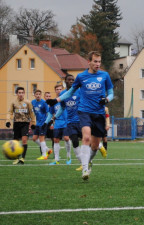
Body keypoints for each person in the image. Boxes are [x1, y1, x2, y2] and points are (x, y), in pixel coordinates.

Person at [46, 51, 114, 180]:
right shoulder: (81, 77)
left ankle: (88, 162)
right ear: (89, 62)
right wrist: (57, 100)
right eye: (95, 61)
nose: (98, 64)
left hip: (99, 113)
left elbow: (111, 93)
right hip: (84, 111)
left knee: (94, 146)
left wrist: (107, 100)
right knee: (86, 137)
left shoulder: (105, 75)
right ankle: (84, 169)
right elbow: (70, 92)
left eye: (99, 61)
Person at [55, 74, 83, 170]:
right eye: (69, 80)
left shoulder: (79, 91)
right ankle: (82, 163)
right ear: (65, 81)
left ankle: (99, 146)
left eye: (73, 80)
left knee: (88, 140)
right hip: (70, 122)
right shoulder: (62, 94)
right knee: (75, 141)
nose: (71, 81)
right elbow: (62, 107)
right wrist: (56, 116)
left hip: (81, 120)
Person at [6, 87, 36, 164]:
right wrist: (8, 121)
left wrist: (33, 123)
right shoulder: (13, 103)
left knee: (24, 140)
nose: (21, 94)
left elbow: (32, 113)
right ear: (17, 93)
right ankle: (16, 158)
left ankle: (22, 158)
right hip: (16, 123)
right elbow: (10, 112)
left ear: (24, 93)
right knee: (16, 142)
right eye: (19, 93)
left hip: (25, 123)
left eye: (22, 92)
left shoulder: (28, 102)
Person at [45, 84, 71, 165]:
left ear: (62, 90)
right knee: (56, 140)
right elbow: (50, 113)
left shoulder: (67, 99)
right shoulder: (54, 102)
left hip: (66, 122)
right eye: (57, 89)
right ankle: (56, 159)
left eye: (60, 89)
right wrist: (46, 123)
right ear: (55, 91)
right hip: (57, 123)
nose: (59, 90)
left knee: (66, 138)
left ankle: (68, 156)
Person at [31, 89, 52, 160]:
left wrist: (48, 122)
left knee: (41, 138)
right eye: (36, 94)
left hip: (43, 123)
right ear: (34, 95)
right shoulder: (33, 102)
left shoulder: (44, 102)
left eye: (39, 94)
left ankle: (44, 155)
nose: (38, 95)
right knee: (34, 139)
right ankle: (47, 149)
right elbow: (32, 112)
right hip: (37, 123)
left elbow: (48, 112)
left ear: (41, 95)